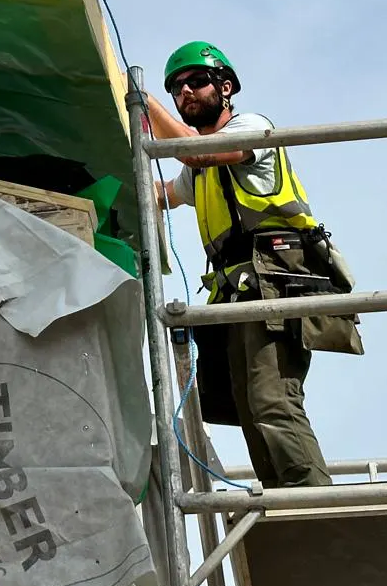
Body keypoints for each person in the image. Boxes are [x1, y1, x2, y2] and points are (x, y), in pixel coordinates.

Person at [143, 41, 362, 489]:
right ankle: (288, 509)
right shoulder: (197, 166)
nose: (185, 93)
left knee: (271, 401)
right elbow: (160, 194)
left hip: (275, 283)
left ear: (224, 87)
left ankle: (315, 510)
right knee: (248, 409)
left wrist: (142, 103)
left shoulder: (251, 128)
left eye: (196, 81)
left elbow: (196, 153)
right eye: (175, 89)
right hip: (242, 291)